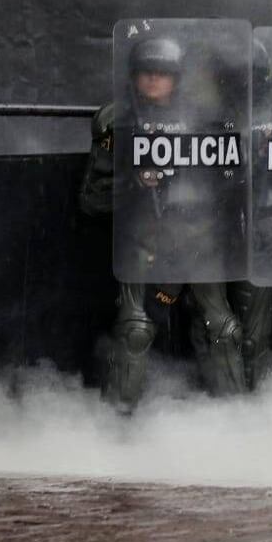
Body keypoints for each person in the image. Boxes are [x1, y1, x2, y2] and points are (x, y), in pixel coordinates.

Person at [80, 37, 186, 411]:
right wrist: (134, 185)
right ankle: (120, 423)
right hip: (142, 243)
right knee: (136, 329)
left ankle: (238, 419)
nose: (155, 81)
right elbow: (92, 199)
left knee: (222, 327)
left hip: (195, 242)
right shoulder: (119, 123)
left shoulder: (197, 121)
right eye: (147, 73)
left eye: (164, 74)